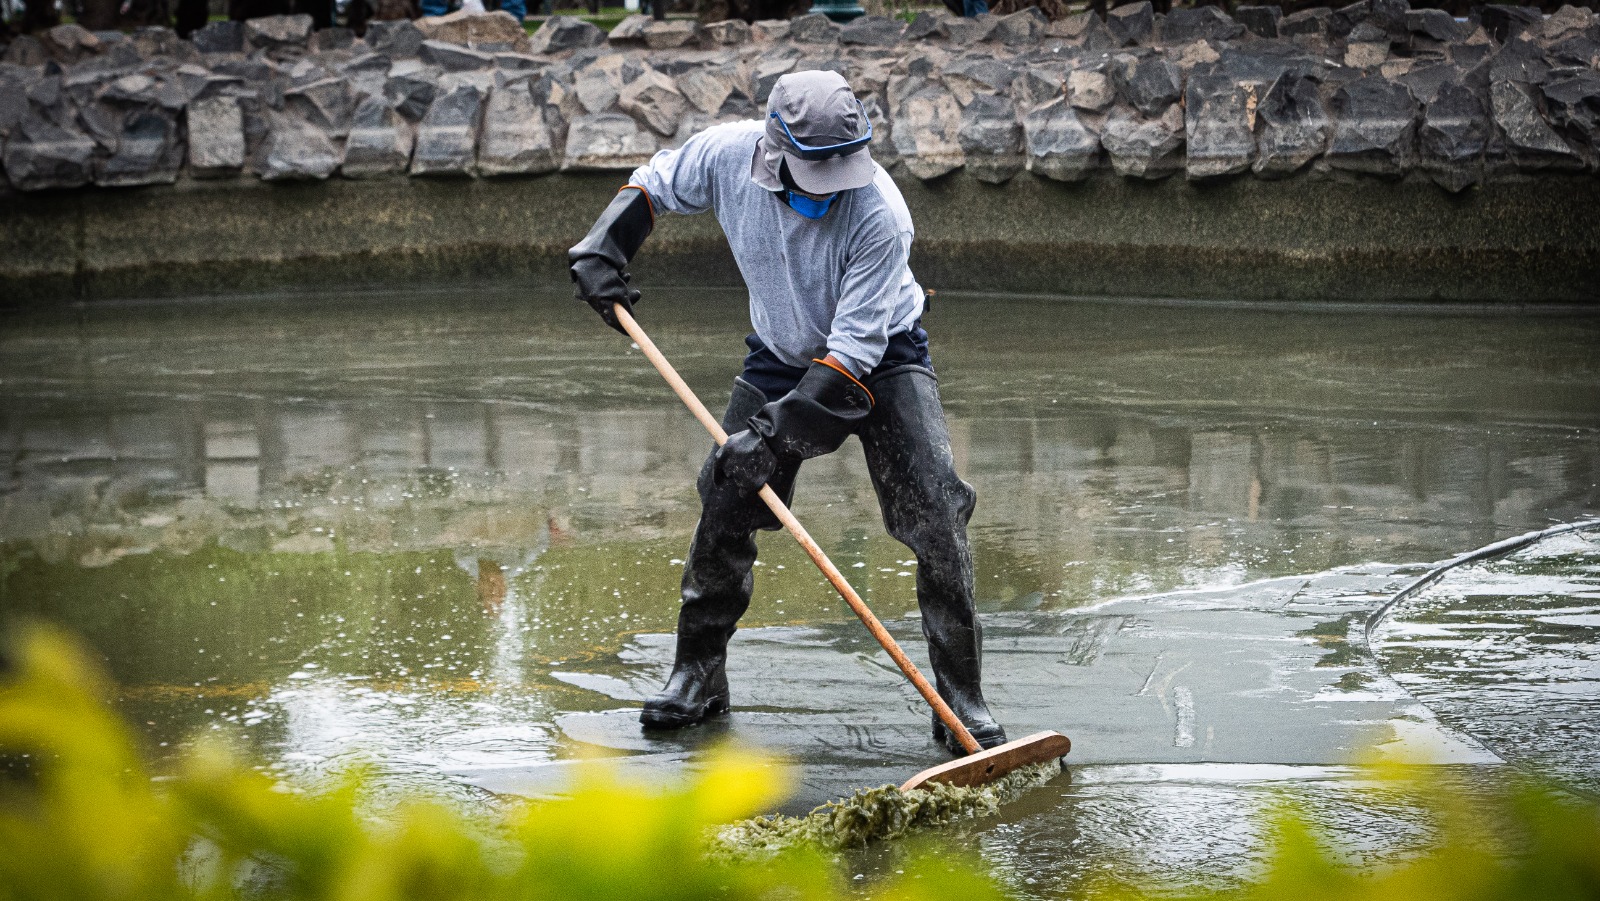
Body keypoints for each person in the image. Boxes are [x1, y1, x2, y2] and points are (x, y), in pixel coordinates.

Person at [566, 71, 1006, 756]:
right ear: (774, 152)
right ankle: (698, 675)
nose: (833, 182)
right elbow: (654, 183)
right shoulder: (728, 156)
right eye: (815, 168)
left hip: (879, 356)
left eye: (843, 165)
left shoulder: (880, 214)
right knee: (724, 498)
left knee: (938, 512)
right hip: (779, 351)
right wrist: (605, 246)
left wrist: (769, 437)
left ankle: (962, 697)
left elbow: (851, 356)